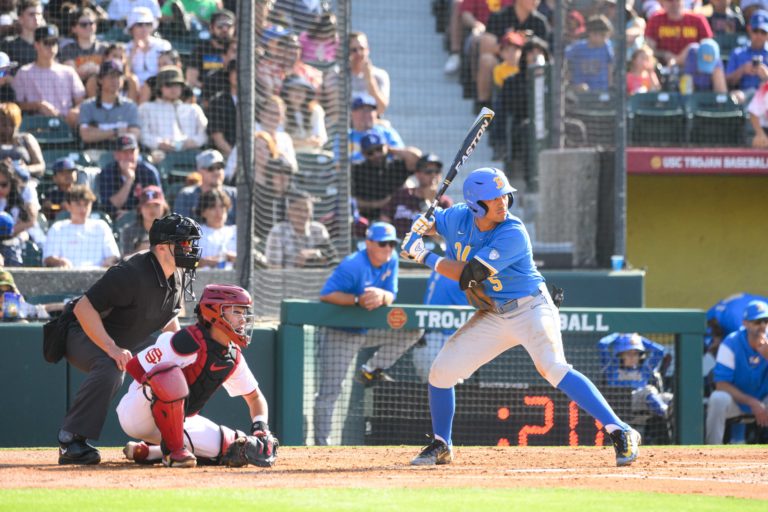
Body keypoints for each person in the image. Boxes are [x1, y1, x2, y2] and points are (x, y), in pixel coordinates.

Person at [400, 167, 640, 466]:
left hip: (531, 307)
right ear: (476, 204)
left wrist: (422, 255)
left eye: (505, 195)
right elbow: (434, 224)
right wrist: (421, 225)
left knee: (553, 368)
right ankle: (441, 444)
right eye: (494, 198)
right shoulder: (457, 217)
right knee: (441, 372)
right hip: (494, 314)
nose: (503, 202)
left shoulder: (513, 232)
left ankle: (621, 430)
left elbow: (470, 276)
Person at [55, 213, 201, 465]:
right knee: (112, 367)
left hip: (126, 338)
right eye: (184, 242)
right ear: (162, 247)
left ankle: (167, 439)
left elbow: (167, 320)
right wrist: (112, 348)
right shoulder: (131, 272)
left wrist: (180, 356)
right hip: (80, 332)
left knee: (170, 369)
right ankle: (70, 440)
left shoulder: (175, 274)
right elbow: (83, 308)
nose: (189, 248)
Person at [116, 283, 278, 468]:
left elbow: (255, 398)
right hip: (137, 415)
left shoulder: (233, 356)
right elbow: (135, 367)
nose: (243, 319)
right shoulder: (184, 341)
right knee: (168, 375)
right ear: (215, 312)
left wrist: (261, 428)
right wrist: (166, 392)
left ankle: (150, 452)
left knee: (236, 444)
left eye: (244, 312)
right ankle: (174, 452)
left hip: (176, 424)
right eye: (237, 312)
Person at [314, 221, 422, 446]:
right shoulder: (353, 265)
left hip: (368, 331)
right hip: (340, 334)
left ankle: (369, 369)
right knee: (331, 392)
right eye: (383, 244)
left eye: (391, 244)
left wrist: (382, 296)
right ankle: (323, 446)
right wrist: (356, 300)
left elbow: (392, 293)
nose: (388, 249)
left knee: (414, 330)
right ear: (369, 243)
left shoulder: (391, 260)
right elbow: (326, 295)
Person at [706, 300, 768, 444]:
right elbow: (721, 384)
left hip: (765, 400)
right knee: (717, 398)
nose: (763, 326)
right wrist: (752, 402)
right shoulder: (731, 342)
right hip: (736, 401)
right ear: (745, 323)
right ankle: (712, 450)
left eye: (766, 320)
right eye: (757, 321)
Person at [597, 333, 673, 439]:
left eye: (636, 354)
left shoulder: (644, 370)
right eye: (628, 353)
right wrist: (617, 336)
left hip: (645, 408)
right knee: (648, 390)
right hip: (623, 404)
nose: (633, 357)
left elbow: (659, 350)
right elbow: (602, 344)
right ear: (621, 355)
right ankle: (664, 411)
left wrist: (637, 339)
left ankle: (666, 415)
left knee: (669, 397)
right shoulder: (612, 369)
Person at [12, 24, 86, 129]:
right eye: (47, 43)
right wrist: (37, 105)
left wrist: (74, 112)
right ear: (36, 45)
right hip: (36, 127)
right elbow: (17, 105)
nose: (51, 47)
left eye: (54, 43)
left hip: (66, 125)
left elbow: (81, 101)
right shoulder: (24, 72)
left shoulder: (68, 71)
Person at [43, 184, 120, 268]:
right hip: (67, 277)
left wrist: (109, 262)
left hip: (99, 277)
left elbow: (114, 256)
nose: (83, 209)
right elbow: (48, 258)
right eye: (78, 204)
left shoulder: (101, 227)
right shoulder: (57, 228)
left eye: (86, 204)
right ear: (68, 206)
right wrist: (60, 262)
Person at [351, 131, 421, 221]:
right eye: (370, 152)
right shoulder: (358, 170)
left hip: (397, 218)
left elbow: (417, 158)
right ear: (364, 154)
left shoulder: (396, 166)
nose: (376, 155)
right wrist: (378, 204)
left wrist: (391, 150)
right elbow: (351, 200)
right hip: (367, 218)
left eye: (379, 149)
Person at [381, 153, 453, 239]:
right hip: (398, 246)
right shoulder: (402, 195)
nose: (433, 175)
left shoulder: (444, 202)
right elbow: (384, 221)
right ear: (417, 174)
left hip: (427, 249)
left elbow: (443, 239)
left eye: (437, 171)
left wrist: (427, 201)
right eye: (428, 172)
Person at [138, 66, 208, 154]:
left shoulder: (193, 109)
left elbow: (205, 133)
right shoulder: (146, 108)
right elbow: (142, 135)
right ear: (160, 87)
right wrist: (159, 143)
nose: (173, 89)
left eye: (177, 85)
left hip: (191, 154)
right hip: (160, 155)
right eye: (169, 85)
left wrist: (192, 142)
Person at [78, 59, 141, 151]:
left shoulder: (130, 106)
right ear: (100, 80)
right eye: (111, 76)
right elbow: (86, 135)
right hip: (94, 154)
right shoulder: (87, 106)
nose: (115, 80)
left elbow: (134, 135)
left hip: (123, 154)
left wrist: (98, 132)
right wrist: (116, 132)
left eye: (118, 76)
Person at [265, 190, 336, 269]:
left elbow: (332, 256)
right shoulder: (278, 232)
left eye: (307, 210)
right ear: (289, 211)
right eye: (297, 209)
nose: (302, 214)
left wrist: (315, 253)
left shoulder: (319, 230)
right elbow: (274, 269)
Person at [97, 133, 162, 219]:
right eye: (124, 152)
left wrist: (131, 214)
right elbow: (109, 207)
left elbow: (158, 205)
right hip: (115, 220)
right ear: (116, 155)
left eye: (132, 151)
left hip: (145, 220)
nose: (129, 156)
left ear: (138, 152)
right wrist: (129, 180)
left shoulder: (149, 172)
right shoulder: (107, 173)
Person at [173, 149, 236, 226]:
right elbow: (180, 227)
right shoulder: (187, 195)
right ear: (199, 171)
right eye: (211, 168)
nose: (216, 172)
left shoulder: (234, 194)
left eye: (219, 167)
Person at [644, 0, 712, 67]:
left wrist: (684, 55)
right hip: (663, 66)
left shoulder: (697, 19)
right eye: (670, 1)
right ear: (662, 3)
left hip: (694, 67)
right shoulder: (655, 19)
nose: (674, 4)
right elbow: (648, 48)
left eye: (677, 0)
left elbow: (708, 46)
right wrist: (664, 54)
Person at [186, 9, 236, 90]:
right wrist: (207, 90)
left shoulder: (239, 49)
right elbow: (191, 80)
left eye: (229, 26)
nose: (225, 29)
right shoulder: (200, 49)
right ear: (211, 28)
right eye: (220, 26)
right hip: (207, 93)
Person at [348, 93, 404, 164]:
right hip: (355, 172)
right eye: (361, 110)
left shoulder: (387, 132)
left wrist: (384, 150)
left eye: (369, 110)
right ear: (352, 113)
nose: (365, 114)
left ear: (376, 113)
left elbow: (402, 155)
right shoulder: (345, 136)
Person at [124, 6, 172, 87]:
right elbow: (125, 74)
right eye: (139, 24)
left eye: (148, 24)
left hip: (158, 87)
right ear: (131, 28)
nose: (144, 28)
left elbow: (167, 72)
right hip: (133, 89)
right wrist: (133, 52)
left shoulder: (163, 45)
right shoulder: (125, 49)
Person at [565, 15, 614, 93]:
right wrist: (573, 85)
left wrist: (610, 87)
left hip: (601, 92)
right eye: (603, 36)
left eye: (606, 36)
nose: (605, 39)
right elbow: (565, 64)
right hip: (581, 93)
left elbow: (610, 68)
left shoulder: (607, 47)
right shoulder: (577, 48)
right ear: (591, 33)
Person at [725, 9, 768, 98]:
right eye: (756, 31)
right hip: (742, 98)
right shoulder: (737, 53)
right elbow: (726, 82)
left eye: (763, 32)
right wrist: (742, 70)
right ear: (749, 29)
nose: (759, 35)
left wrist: (766, 75)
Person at [58, 6, 107, 83]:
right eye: (83, 24)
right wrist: (96, 69)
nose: (88, 27)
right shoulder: (68, 49)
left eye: (91, 23)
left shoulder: (104, 49)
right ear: (74, 28)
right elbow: (72, 75)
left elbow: (110, 73)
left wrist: (94, 68)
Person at [280, 74, 327, 153]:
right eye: (294, 89)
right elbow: (279, 141)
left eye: (302, 90)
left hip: (312, 155)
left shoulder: (315, 110)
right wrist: (307, 142)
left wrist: (297, 142)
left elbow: (320, 139)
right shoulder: (280, 110)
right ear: (286, 92)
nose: (298, 93)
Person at [118, 184, 169, 258]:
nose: (151, 209)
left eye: (156, 205)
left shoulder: (172, 230)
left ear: (164, 207)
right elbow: (125, 261)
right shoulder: (129, 231)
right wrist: (141, 250)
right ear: (140, 209)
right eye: (147, 205)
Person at [0, 101, 45, 178]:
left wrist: (25, 169)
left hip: (26, 183)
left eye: (12, 124)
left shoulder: (26, 139)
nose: (8, 128)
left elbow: (41, 166)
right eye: (4, 125)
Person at [348, 31, 390, 114]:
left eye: (362, 48)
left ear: (368, 50)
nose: (358, 53)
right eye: (354, 50)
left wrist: (369, 79)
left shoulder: (380, 75)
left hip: (372, 123)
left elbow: (381, 109)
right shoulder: (339, 75)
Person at [196, 188, 236, 270]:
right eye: (212, 207)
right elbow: (183, 264)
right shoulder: (195, 233)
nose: (219, 212)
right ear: (203, 212)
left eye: (222, 206)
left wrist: (236, 258)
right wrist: (204, 262)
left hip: (233, 281)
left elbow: (251, 262)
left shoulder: (236, 232)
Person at [0, 0, 45, 69]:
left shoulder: (47, 45)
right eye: (31, 14)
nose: (36, 18)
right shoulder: (8, 45)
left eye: (39, 14)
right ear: (20, 18)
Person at [207, 59, 237, 159]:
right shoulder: (218, 101)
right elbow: (218, 138)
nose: (239, 75)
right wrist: (234, 157)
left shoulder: (255, 102)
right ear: (229, 75)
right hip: (225, 156)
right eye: (235, 71)